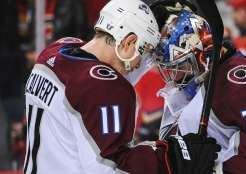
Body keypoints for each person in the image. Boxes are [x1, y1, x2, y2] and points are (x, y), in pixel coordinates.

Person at [23, 0, 220, 174]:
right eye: (146, 52)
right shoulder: (107, 88)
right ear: (129, 41)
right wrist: (173, 157)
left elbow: (97, 74)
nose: (141, 63)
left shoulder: (53, 52)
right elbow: (111, 167)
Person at [151, 7, 246, 174]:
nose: (175, 76)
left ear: (202, 56)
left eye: (180, 66)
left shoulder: (242, 83)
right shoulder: (192, 86)